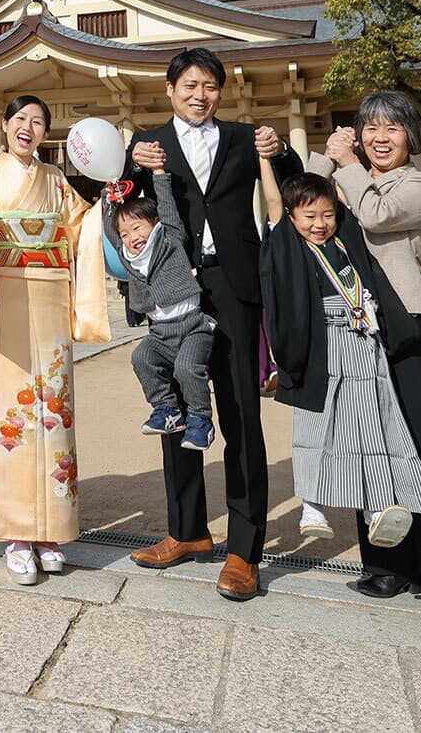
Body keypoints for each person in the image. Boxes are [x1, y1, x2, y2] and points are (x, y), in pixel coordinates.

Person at [306, 89, 421, 628]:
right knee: (372, 446)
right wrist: (328, 156)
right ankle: (390, 565)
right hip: (350, 323)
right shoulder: (347, 177)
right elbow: (305, 206)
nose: (379, 138)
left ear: (412, 135)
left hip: (401, 321)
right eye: (370, 128)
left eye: (392, 128)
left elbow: (376, 214)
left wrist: (347, 164)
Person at [124, 47, 298, 602]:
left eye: (210, 86)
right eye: (190, 85)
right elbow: (124, 209)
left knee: (241, 412)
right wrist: (131, 166)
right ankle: (187, 531)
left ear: (220, 92)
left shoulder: (246, 138)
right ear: (170, 89)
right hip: (173, 289)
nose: (200, 95)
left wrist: (282, 149)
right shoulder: (149, 143)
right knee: (175, 407)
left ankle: (245, 549)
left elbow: (292, 184)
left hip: (234, 285)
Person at [0, 95, 111, 585]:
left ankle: (52, 531)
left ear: (46, 132)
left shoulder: (56, 179)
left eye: (39, 121)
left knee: (55, 411)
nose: (28, 127)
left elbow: (80, 228)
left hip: (50, 295)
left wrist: (106, 204)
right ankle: (17, 535)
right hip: (7, 294)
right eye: (20, 119)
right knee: (12, 411)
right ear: (5, 125)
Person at [258, 166, 421, 554]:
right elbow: (273, 199)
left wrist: (343, 161)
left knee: (373, 422)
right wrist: (265, 158)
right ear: (291, 216)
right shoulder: (288, 245)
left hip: (363, 341)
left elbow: (348, 206)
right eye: (309, 216)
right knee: (317, 423)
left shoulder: (347, 241)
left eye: (328, 215)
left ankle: (378, 506)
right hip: (319, 346)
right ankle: (312, 506)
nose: (320, 224)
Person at [104, 168, 213, 449]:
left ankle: (201, 419)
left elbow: (167, 207)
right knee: (141, 357)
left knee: (187, 368)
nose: (132, 237)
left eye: (137, 227)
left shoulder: (169, 238)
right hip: (160, 333)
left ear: (154, 223)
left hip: (192, 326)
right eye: (125, 234)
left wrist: (159, 174)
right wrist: (108, 197)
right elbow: (110, 230)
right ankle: (167, 409)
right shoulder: (127, 257)